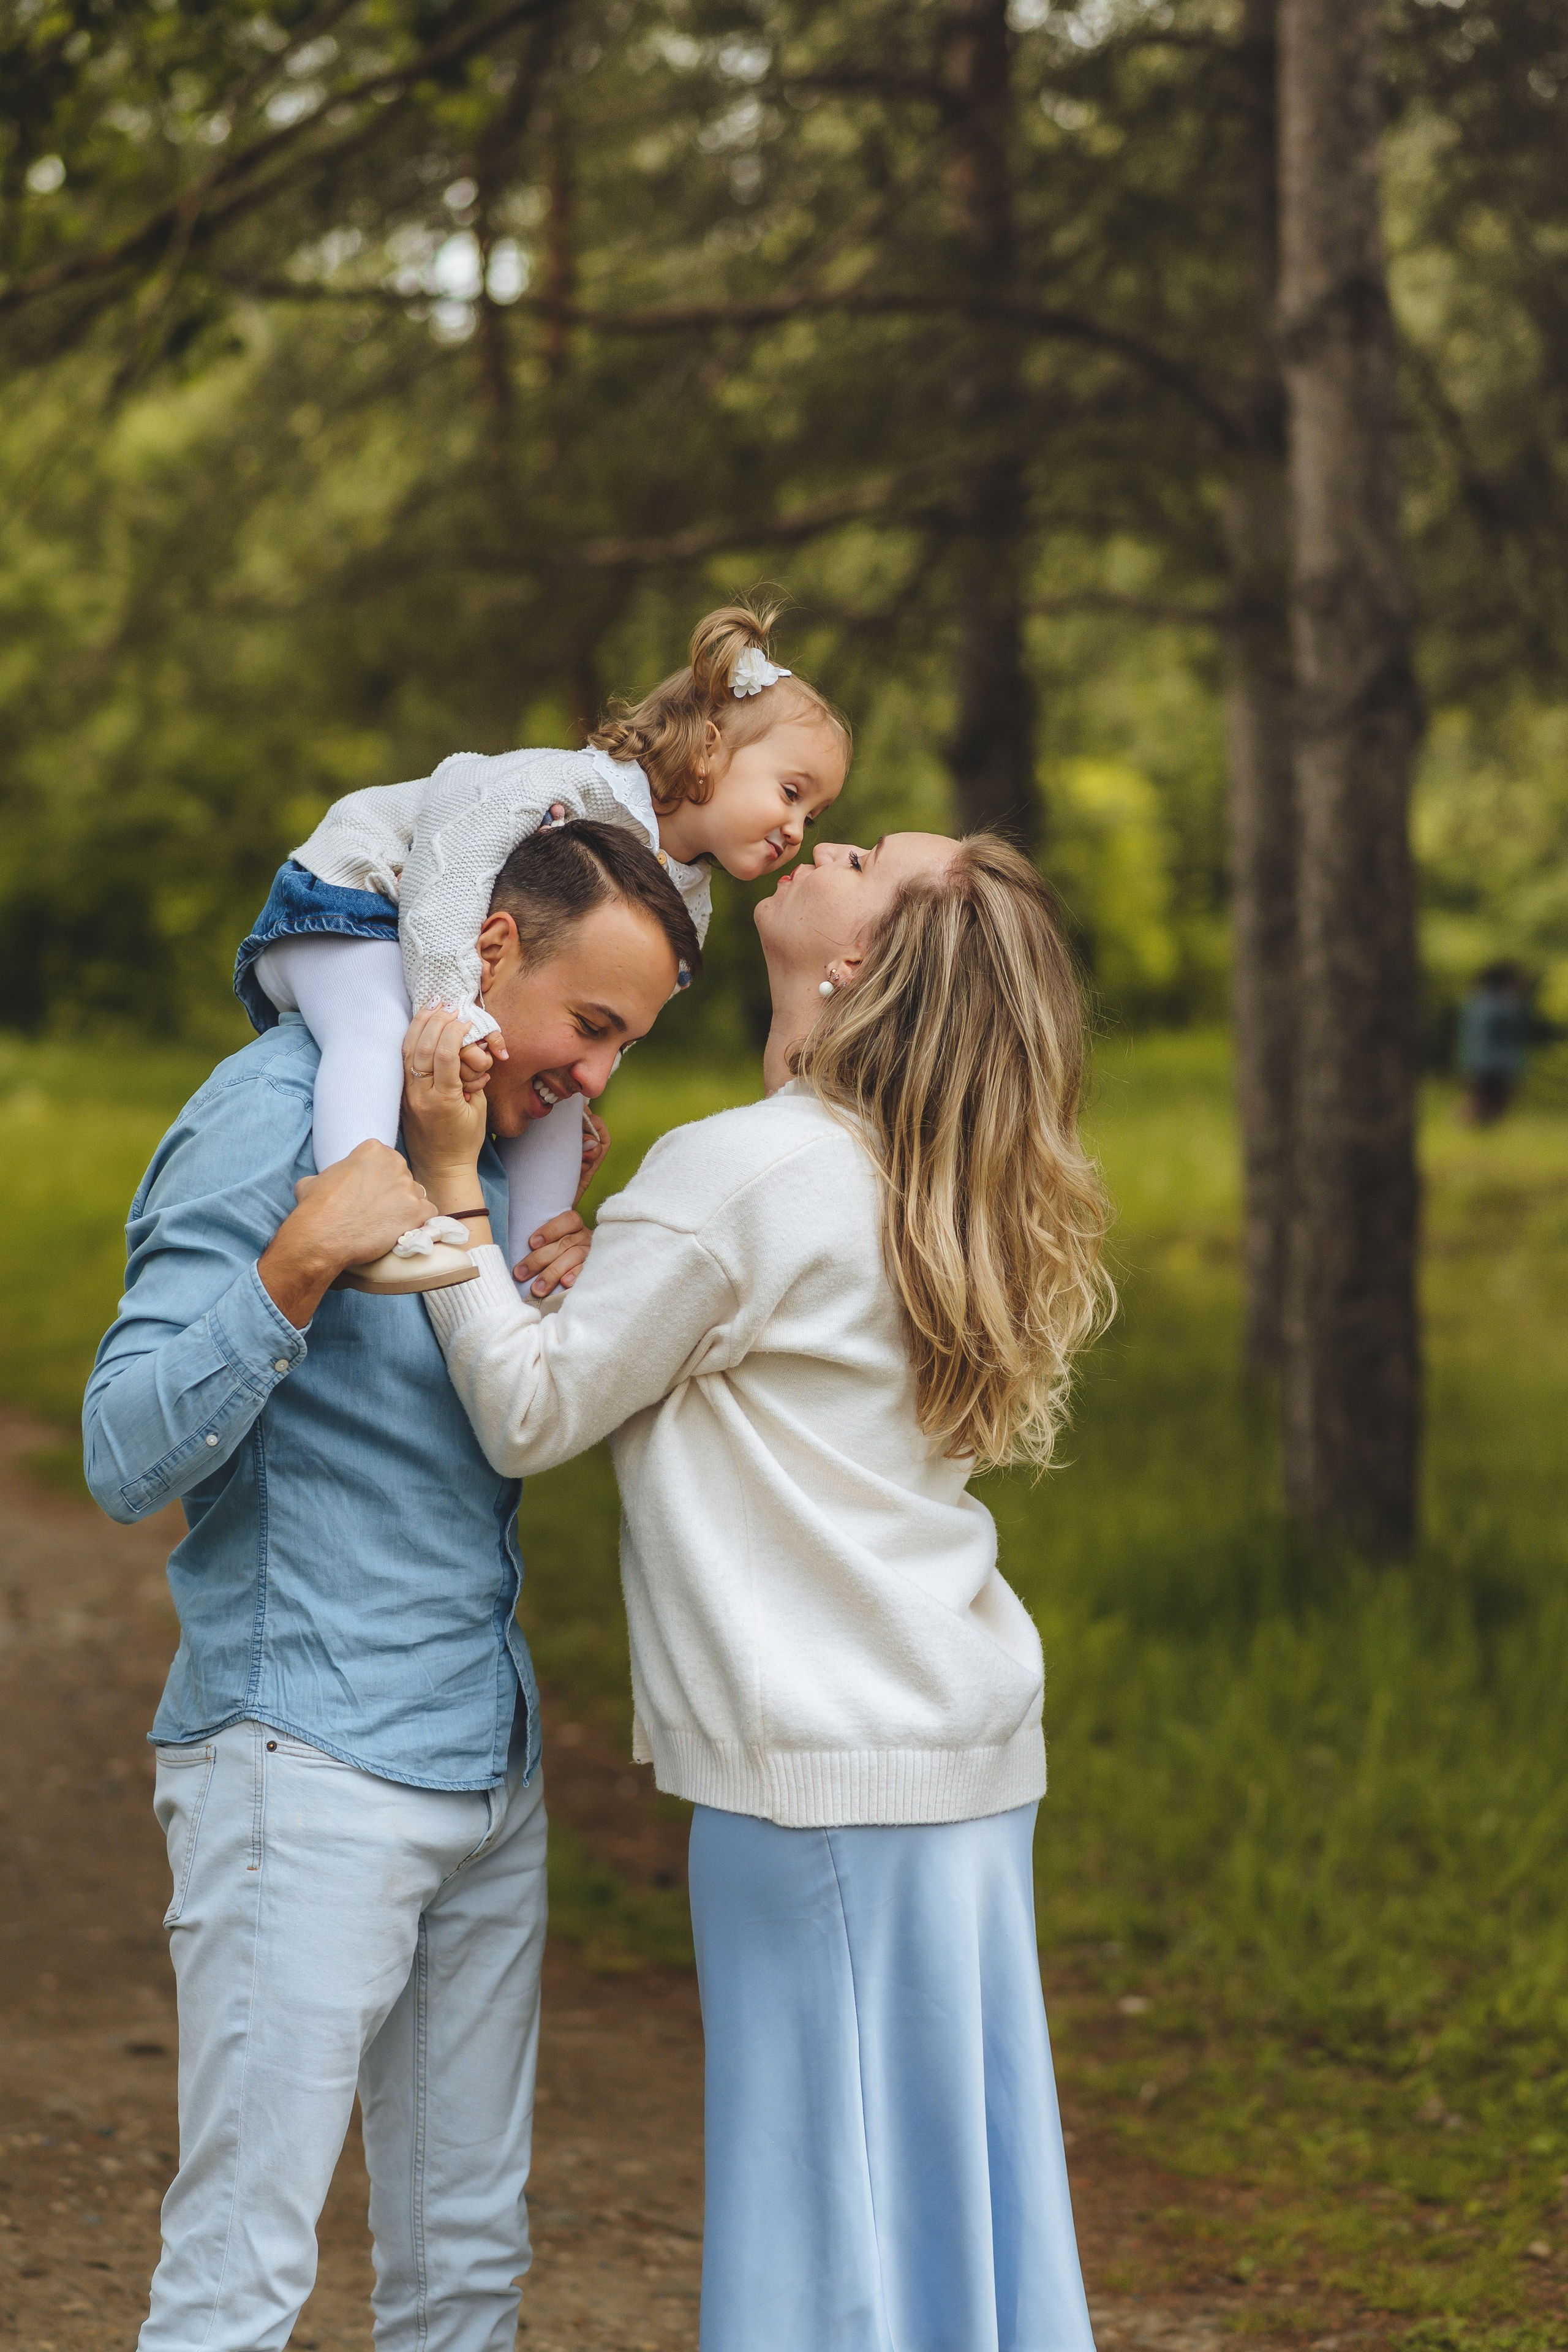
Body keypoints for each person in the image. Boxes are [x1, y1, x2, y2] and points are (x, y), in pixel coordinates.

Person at [400, 829, 1115, 2351]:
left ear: (856, 963)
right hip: (954, 1755)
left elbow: (529, 1413)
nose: (828, 843)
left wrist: (453, 1184)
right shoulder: (885, 1165)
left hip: (826, 1782)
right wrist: (604, 1270)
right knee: (949, 2199)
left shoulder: (748, 1164)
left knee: (820, 2220)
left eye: (870, 857)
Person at [81, 820, 699, 2352]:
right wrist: (291, 1269)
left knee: (467, 2263)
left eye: (629, 1045)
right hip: (303, 1770)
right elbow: (117, 1449)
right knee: (241, 2277)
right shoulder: (268, 1117)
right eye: (591, 1027)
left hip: (483, 1763)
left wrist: (554, 1257)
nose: (596, 1075)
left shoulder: (490, 1151)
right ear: (489, 951)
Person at [232, 601, 849, 1291]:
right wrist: (450, 1008)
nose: (798, 830)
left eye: (812, 815)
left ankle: (537, 1279)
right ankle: (360, 1211)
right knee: (376, 1027)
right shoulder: (583, 785)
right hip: (357, 896)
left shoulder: (687, 903)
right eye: (790, 793)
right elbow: (451, 845)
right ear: (709, 748)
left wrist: (584, 1080)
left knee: (562, 1109)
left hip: (449, 954)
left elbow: (626, 1013)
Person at [1457, 960, 1529, 1125]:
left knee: (1480, 1096)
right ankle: (1474, 1125)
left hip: (1475, 1058)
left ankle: (1477, 1126)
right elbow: (1512, 1027)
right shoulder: (1503, 1004)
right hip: (1496, 1061)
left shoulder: (1474, 1000)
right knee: (1491, 1100)